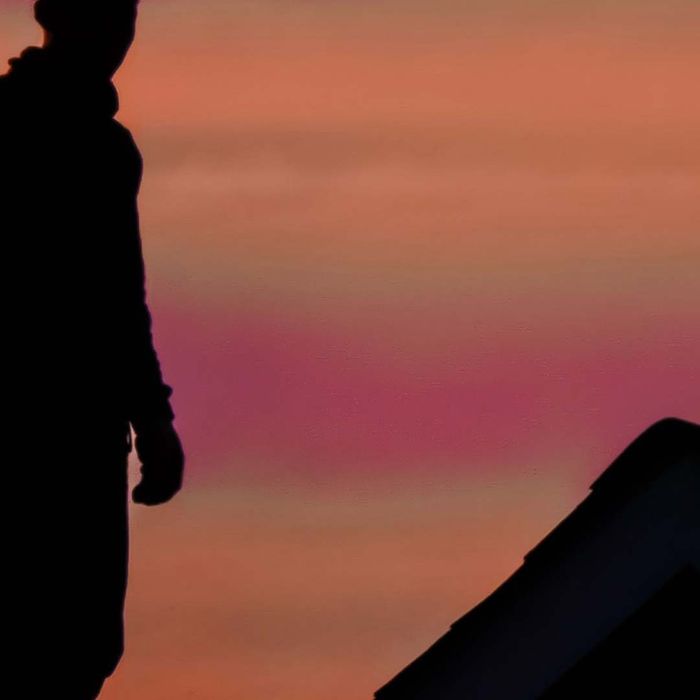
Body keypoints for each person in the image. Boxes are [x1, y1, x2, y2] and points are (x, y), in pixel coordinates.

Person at [0, 1, 185, 696]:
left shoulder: (107, 150)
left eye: (124, 17)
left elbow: (118, 302)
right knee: (64, 645)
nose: (118, 35)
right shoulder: (90, 148)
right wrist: (154, 419)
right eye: (107, 15)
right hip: (51, 443)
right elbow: (115, 302)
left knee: (76, 647)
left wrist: (152, 417)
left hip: (79, 438)